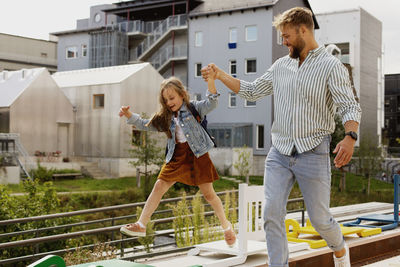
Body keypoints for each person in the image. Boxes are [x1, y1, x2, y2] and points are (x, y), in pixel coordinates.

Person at [201, 7, 361, 267]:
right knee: (271, 212)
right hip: (280, 152)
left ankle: (340, 249)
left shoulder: (331, 67)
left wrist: (350, 136)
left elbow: (349, 106)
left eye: (286, 36)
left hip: (313, 150)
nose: (284, 41)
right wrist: (220, 75)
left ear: (303, 30)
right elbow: (252, 91)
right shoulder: (281, 66)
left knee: (319, 219)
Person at [118, 75, 236, 246]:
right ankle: (141, 225)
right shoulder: (165, 117)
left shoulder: (194, 108)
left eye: (172, 98)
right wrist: (129, 114)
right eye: (165, 100)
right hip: (176, 155)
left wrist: (211, 80)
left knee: (209, 195)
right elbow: (146, 124)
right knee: (159, 186)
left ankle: (226, 227)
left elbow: (212, 102)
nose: (169, 102)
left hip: (198, 154)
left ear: (182, 94)